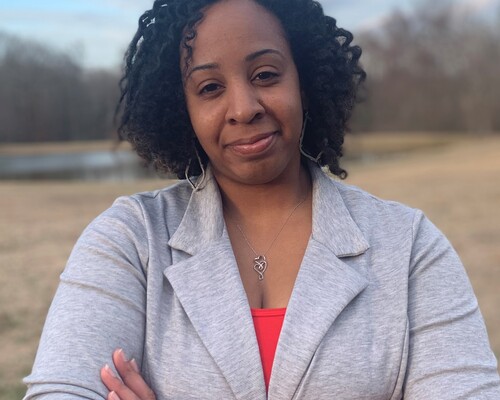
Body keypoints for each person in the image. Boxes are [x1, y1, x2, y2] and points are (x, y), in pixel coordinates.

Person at [24, 0, 500, 399]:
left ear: (305, 81)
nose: (244, 107)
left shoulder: (409, 246)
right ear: (180, 108)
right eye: (210, 88)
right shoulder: (130, 240)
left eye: (266, 74)